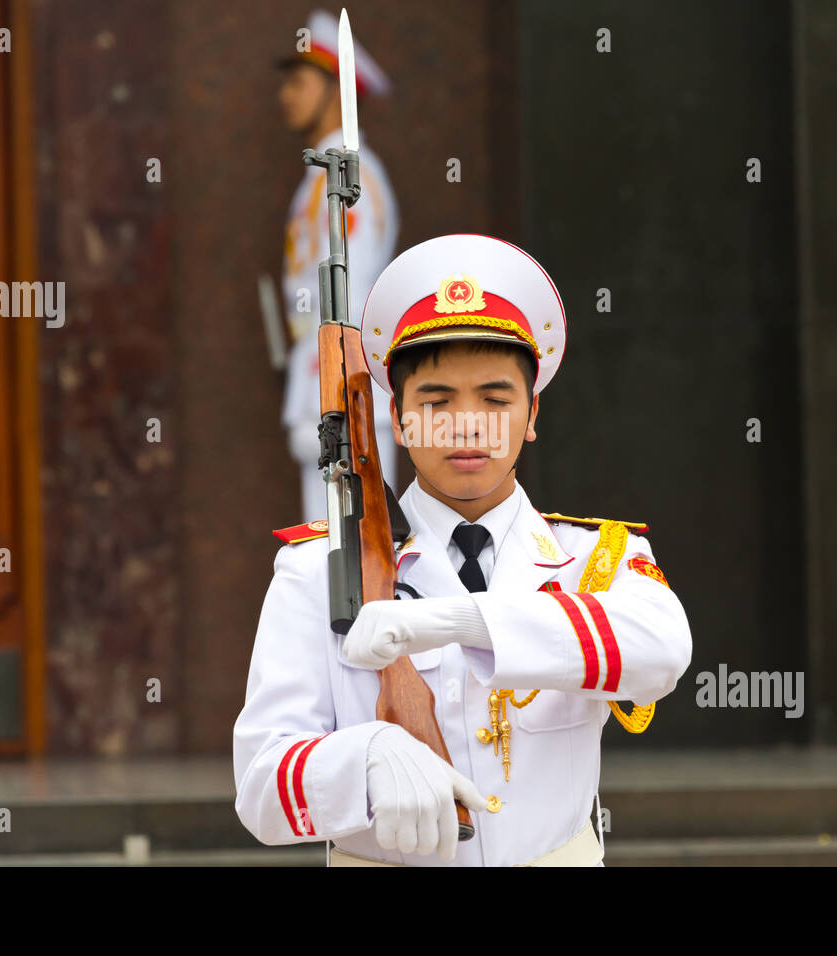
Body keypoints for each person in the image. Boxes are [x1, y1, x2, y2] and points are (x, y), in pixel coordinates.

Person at [233, 234, 693, 866]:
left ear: (531, 414)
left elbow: (663, 651)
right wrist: (362, 758)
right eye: (436, 401)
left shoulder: (593, 558)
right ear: (398, 420)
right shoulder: (319, 568)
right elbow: (261, 788)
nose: (466, 424)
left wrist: (458, 620)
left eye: (495, 399)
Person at [278, 8, 399, 521]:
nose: (286, 93)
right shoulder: (321, 174)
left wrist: (333, 370)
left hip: (345, 369)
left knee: (356, 532)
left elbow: (355, 284)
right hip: (320, 363)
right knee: (323, 534)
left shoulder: (352, 176)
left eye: (301, 81)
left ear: (337, 91)